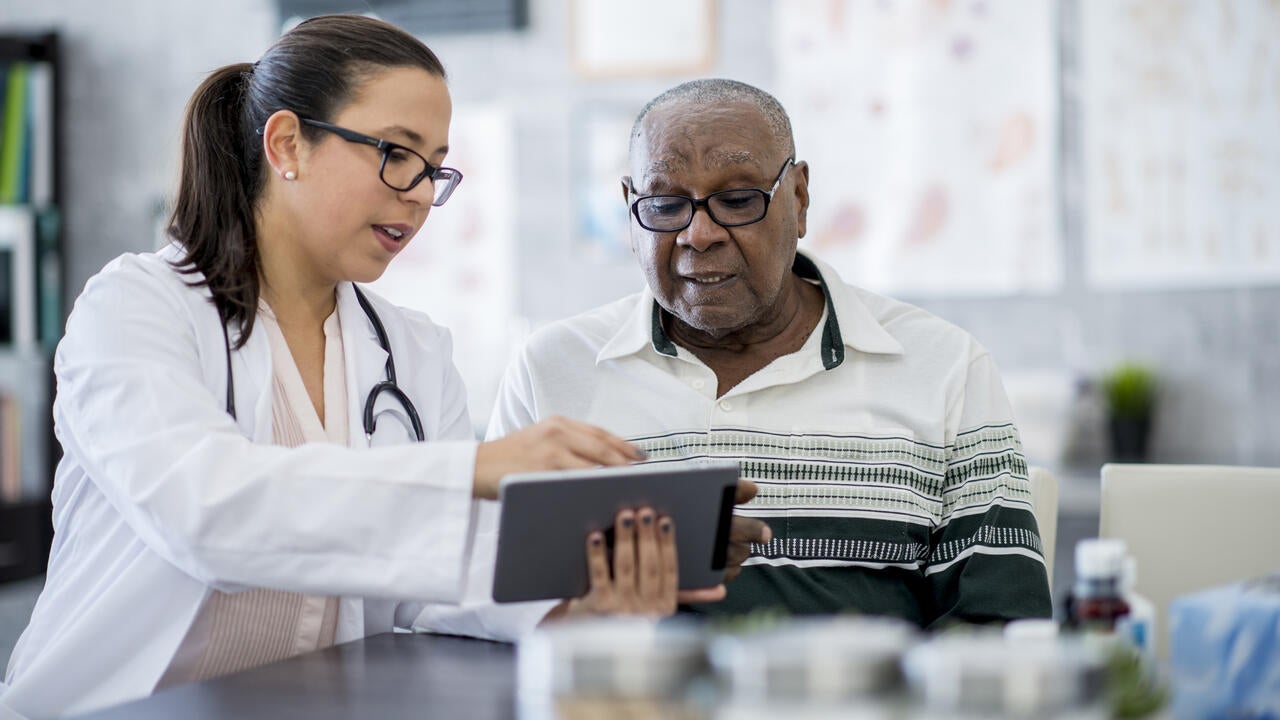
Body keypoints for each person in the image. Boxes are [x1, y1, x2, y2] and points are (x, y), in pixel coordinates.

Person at [0, 17, 730, 719]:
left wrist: (588, 588)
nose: (418, 193)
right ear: (287, 144)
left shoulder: (411, 351)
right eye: (395, 152)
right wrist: (472, 469)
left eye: (435, 169)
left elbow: (439, 577)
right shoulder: (135, 307)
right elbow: (205, 513)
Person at [480, 79, 1053, 629]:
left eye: (736, 200)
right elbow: (480, 599)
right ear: (630, 208)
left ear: (799, 199)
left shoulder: (943, 367)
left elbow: (998, 624)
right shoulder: (553, 370)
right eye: (664, 203)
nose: (698, 234)